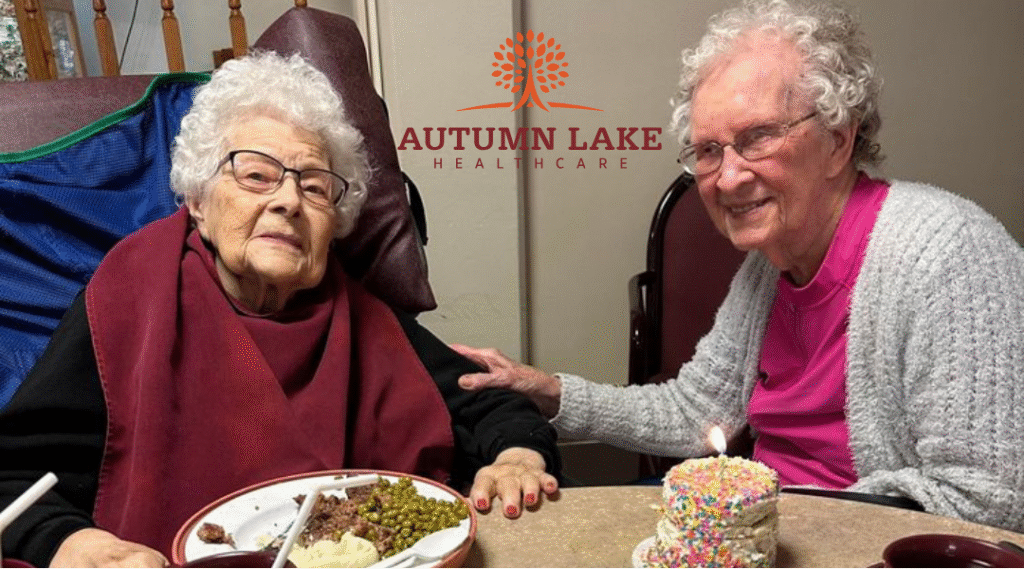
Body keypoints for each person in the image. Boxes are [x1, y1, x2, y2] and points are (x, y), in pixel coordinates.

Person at [454, 0, 1024, 532]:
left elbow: (986, 501)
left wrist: (776, 516)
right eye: (707, 151)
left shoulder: (947, 253)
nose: (726, 178)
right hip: (764, 525)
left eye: (757, 138)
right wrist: (547, 391)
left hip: (852, 543)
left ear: (839, 140)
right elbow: (696, 409)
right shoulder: (767, 267)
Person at [0, 52, 559, 568]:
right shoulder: (130, 294)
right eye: (257, 175)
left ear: (333, 225)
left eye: (315, 187)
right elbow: (15, 474)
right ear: (198, 199)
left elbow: (489, 403)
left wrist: (517, 456)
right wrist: (75, 545)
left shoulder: (359, 314)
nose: (289, 200)